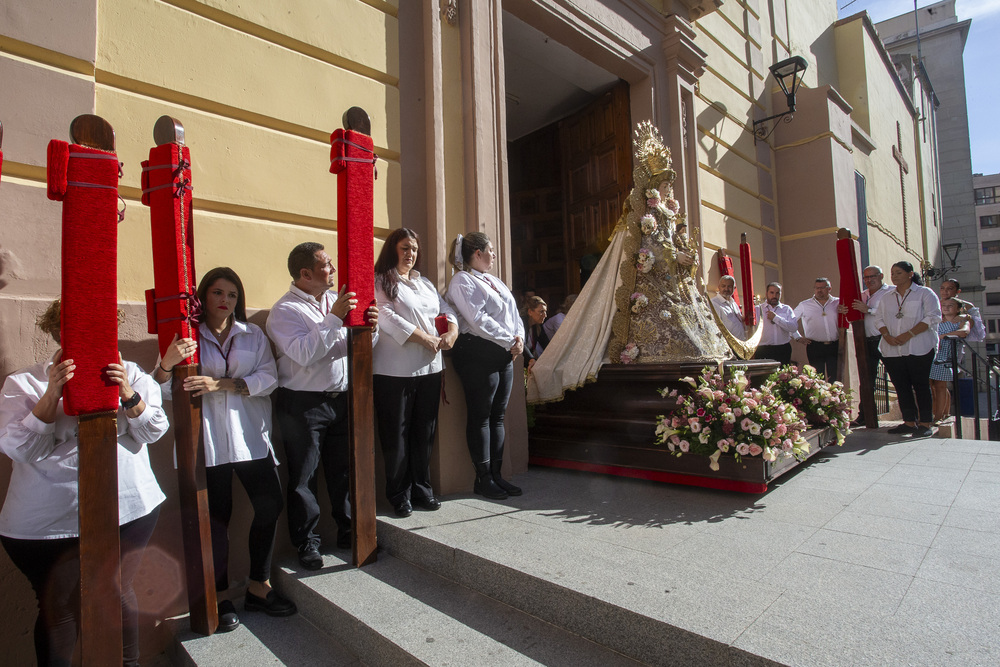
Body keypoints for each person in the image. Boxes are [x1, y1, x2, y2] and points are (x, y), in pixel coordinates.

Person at [0, 300, 168, 667]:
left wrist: (127, 394)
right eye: (72, 328)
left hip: (128, 509)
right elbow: (20, 448)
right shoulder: (23, 382)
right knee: (58, 607)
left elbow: (154, 430)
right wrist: (52, 394)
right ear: (58, 333)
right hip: (46, 523)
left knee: (117, 590)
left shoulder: (132, 373)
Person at [154, 267, 294, 631]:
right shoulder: (188, 336)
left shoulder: (253, 335)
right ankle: (218, 595)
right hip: (209, 442)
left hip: (248, 436)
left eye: (232, 295)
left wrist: (223, 384)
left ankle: (258, 585)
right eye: (217, 293)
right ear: (203, 297)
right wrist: (167, 365)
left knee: (270, 504)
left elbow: (269, 378)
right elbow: (163, 389)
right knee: (216, 520)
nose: (225, 301)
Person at [266, 242, 379, 570]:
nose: (333, 270)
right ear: (305, 273)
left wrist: (368, 328)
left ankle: (347, 530)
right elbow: (303, 354)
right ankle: (308, 542)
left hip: (342, 398)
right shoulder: (285, 311)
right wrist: (334, 319)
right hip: (304, 404)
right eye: (327, 265)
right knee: (304, 475)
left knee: (343, 470)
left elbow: (354, 346)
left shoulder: (334, 302)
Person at [372, 228, 458, 518]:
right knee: (396, 436)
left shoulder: (425, 283)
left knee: (424, 433)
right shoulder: (381, 280)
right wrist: (424, 337)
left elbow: (445, 309)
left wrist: (452, 331)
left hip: (430, 369)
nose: (410, 254)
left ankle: (423, 489)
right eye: (405, 248)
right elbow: (386, 316)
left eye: (414, 249)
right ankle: (399, 495)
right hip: (394, 371)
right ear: (392, 250)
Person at [446, 231, 524, 500]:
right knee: (481, 415)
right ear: (476, 254)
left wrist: (519, 339)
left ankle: (497, 475)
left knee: (498, 415)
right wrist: (508, 340)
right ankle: (483, 478)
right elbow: (477, 319)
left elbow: (513, 314)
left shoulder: (494, 281)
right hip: (477, 353)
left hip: (503, 353)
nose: (493, 255)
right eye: (490, 250)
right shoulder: (462, 281)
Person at [871, 261, 942, 437]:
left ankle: (925, 423)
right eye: (892, 273)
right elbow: (878, 319)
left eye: (899, 273)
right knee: (901, 386)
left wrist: (908, 334)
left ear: (910, 274)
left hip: (919, 347)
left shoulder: (924, 293)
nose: (894, 276)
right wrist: (887, 335)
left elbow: (932, 317)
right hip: (892, 349)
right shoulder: (887, 297)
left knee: (921, 385)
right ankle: (909, 422)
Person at [846, 265, 894, 427]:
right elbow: (852, 317)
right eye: (866, 277)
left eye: (872, 276)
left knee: (896, 376)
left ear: (881, 276)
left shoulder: (891, 292)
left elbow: (892, 314)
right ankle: (864, 415)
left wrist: (869, 310)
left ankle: (911, 416)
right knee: (866, 380)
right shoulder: (862, 295)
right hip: (866, 341)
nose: (869, 280)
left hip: (886, 339)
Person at [929, 297, 970, 424]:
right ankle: (933, 412)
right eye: (944, 305)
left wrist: (944, 335)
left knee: (941, 386)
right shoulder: (938, 320)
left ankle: (939, 416)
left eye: (950, 305)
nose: (946, 307)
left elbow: (964, 332)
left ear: (958, 308)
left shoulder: (961, 321)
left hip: (946, 357)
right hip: (932, 354)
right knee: (931, 387)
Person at [794, 277, 841, 381]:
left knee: (835, 377)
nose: (819, 290)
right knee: (817, 378)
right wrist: (798, 337)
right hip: (815, 346)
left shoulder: (838, 302)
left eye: (822, 288)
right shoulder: (804, 305)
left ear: (829, 289)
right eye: (817, 288)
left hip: (834, 345)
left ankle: (835, 397)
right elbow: (790, 322)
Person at [753, 282, 798, 365]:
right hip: (764, 349)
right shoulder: (757, 309)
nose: (774, 296)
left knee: (784, 376)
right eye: (772, 293)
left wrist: (776, 318)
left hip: (783, 349)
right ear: (766, 294)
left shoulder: (786, 309)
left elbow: (793, 327)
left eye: (777, 293)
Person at [711, 275, 747, 341]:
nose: (726, 289)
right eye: (723, 286)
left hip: (739, 344)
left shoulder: (733, 303)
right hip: (728, 345)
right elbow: (714, 327)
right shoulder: (713, 303)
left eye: (729, 286)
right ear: (719, 287)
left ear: (734, 288)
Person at [522, 295, 548, 370]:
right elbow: (522, 344)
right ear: (530, 312)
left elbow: (546, 343)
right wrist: (531, 359)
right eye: (541, 312)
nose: (545, 315)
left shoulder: (538, 326)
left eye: (545, 312)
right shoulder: (521, 324)